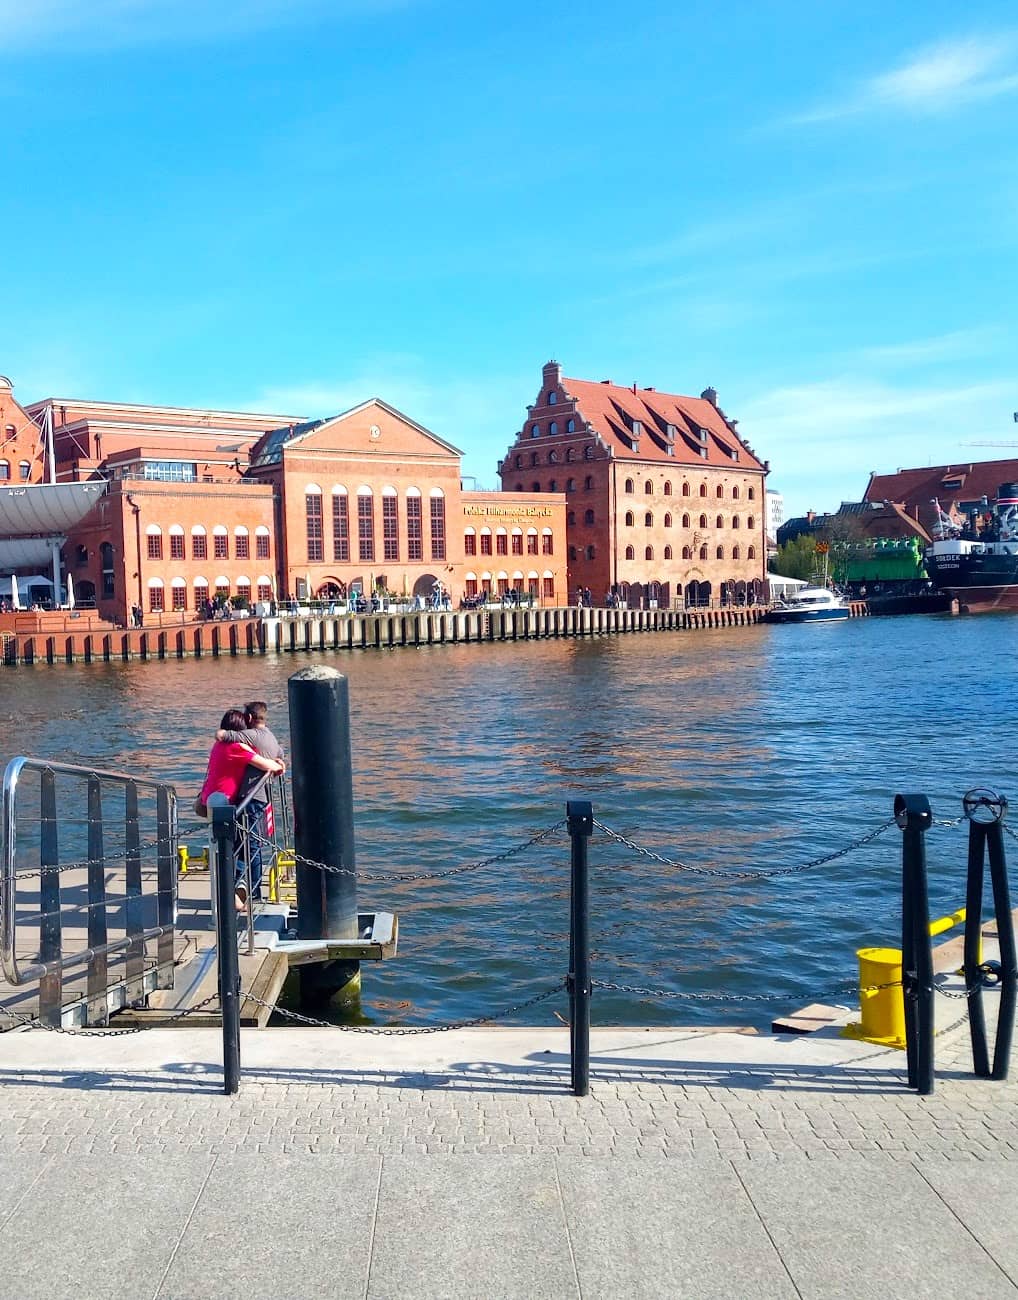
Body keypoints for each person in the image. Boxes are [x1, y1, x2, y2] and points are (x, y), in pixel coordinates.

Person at [201, 708, 284, 908]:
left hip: (211, 797)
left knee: (227, 847)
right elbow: (267, 765)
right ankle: (238, 894)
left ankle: (228, 892)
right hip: (224, 800)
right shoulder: (237, 747)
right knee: (242, 846)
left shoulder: (219, 746)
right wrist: (279, 764)